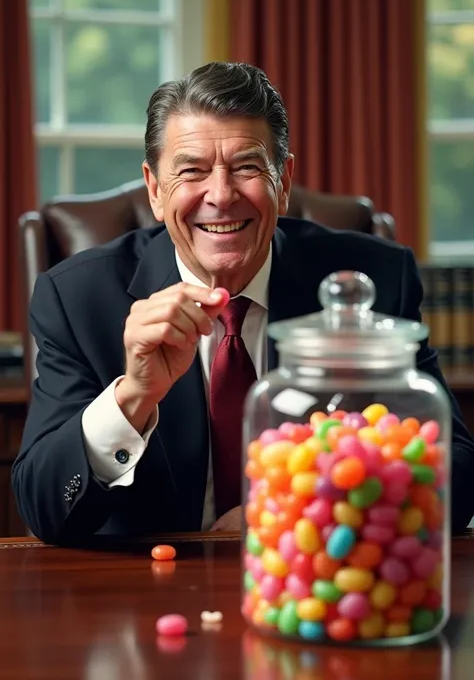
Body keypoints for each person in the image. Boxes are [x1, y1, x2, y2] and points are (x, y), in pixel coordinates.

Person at [12, 62, 474, 543]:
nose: (221, 195)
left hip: (320, 579)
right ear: (154, 189)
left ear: (285, 179)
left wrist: (295, 508)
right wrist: (133, 397)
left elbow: (456, 474)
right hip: (146, 596)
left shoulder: (374, 280)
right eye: (191, 171)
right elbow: (45, 509)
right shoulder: (76, 298)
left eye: (247, 167)